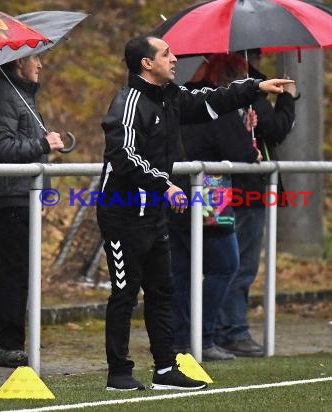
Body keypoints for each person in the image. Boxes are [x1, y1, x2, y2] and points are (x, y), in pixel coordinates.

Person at [97, 34, 294, 391]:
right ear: (146, 63)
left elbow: (213, 97)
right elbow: (124, 155)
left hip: (156, 211)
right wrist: (165, 184)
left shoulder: (172, 97)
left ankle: (165, 368)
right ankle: (119, 373)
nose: (175, 59)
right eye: (167, 54)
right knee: (125, 292)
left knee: (162, 289)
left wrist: (255, 86)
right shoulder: (128, 102)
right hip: (122, 213)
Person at [169, 53, 263, 361]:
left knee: (182, 269)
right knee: (225, 264)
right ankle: (205, 336)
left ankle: (182, 338)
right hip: (210, 195)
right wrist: (250, 144)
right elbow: (239, 153)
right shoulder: (216, 107)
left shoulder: (177, 98)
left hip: (173, 190)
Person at [0, 54, 63, 368]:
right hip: (7, 195)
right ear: (17, 62)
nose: (41, 64)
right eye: (35, 58)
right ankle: (7, 344)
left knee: (15, 269)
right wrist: (41, 144)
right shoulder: (3, 95)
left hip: (18, 194)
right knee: (15, 270)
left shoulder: (21, 95)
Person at [215, 49, 298, 357]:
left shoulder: (211, 88)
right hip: (245, 187)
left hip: (220, 187)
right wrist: (290, 97)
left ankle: (219, 329)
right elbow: (276, 130)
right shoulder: (250, 87)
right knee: (239, 263)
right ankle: (231, 330)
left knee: (225, 263)